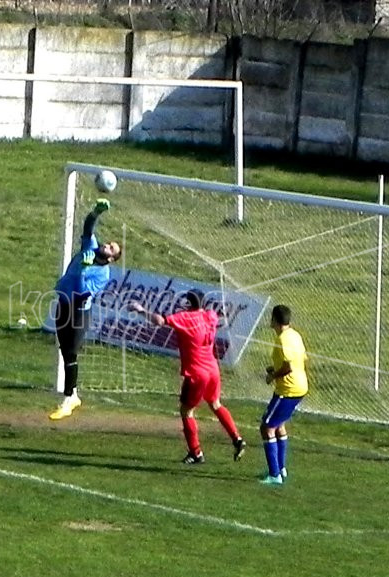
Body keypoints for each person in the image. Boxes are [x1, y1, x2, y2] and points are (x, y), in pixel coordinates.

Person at [130, 289, 247, 464]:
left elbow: (160, 321)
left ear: (188, 303)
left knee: (186, 411)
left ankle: (196, 453)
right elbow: (218, 315)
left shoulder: (185, 318)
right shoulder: (210, 316)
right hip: (213, 369)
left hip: (197, 373)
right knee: (215, 404)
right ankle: (237, 439)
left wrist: (141, 310)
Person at [49, 198, 122, 421]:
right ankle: (73, 395)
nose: (106, 245)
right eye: (108, 243)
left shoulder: (103, 274)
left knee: (71, 352)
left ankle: (70, 396)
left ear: (112, 258)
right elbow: (88, 227)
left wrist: (82, 270)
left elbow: (83, 295)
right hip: (63, 303)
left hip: (79, 311)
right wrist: (95, 213)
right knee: (64, 350)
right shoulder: (89, 248)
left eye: (111, 247)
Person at [260, 304, 309, 486]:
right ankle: (281, 469)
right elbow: (301, 360)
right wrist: (275, 368)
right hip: (300, 386)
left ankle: (274, 475)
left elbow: (288, 367)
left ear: (274, 320)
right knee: (278, 425)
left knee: (266, 427)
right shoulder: (295, 335)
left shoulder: (283, 339)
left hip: (288, 390)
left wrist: (273, 375)